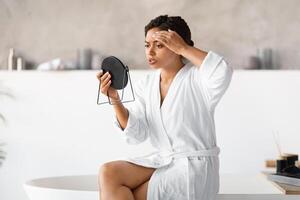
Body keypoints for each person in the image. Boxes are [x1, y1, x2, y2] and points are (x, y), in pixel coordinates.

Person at [96, 14, 233, 200]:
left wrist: (185, 48)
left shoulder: (198, 79)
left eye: (159, 45)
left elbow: (222, 71)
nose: (150, 52)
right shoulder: (147, 85)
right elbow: (137, 134)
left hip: (193, 169)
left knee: (132, 195)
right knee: (108, 172)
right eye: (147, 45)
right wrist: (115, 99)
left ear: (176, 47)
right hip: (164, 161)